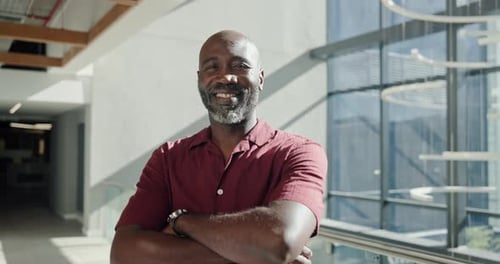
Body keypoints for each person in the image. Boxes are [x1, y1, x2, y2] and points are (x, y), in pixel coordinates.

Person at [110, 30, 327, 264]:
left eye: (240, 66)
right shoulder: (167, 158)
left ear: (261, 79)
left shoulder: (299, 153)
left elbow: (278, 242)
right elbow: (124, 254)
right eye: (212, 67)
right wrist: (252, 255)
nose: (226, 77)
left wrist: (181, 222)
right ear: (199, 80)